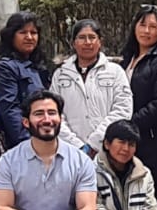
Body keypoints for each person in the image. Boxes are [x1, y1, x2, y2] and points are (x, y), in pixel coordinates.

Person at [54, 19, 133, 158]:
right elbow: (54, 113)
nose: (87, 42)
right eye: (81, 38)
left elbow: (123, 109)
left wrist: (94, 143)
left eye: (92, 37)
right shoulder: (60, 74)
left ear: (100, 41)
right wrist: (76, 145)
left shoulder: (115, 71)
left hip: (107, 149)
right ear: (73, 43)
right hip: (70, 151)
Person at [122, 4, 157, 195]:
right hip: (126, 139)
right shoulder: (128, 58)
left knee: (149, 196)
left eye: (152, 27)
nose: (146, 31)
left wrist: (130, 123)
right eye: (142, 25)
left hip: (151, 140)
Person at [0, 11, 50, 148]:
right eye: (23, 32)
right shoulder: (5, 67)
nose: (29, 37)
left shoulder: (40, 66)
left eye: (33, 32)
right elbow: (10, 109)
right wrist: (28, 144)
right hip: (24, 143)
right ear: (11, 36)